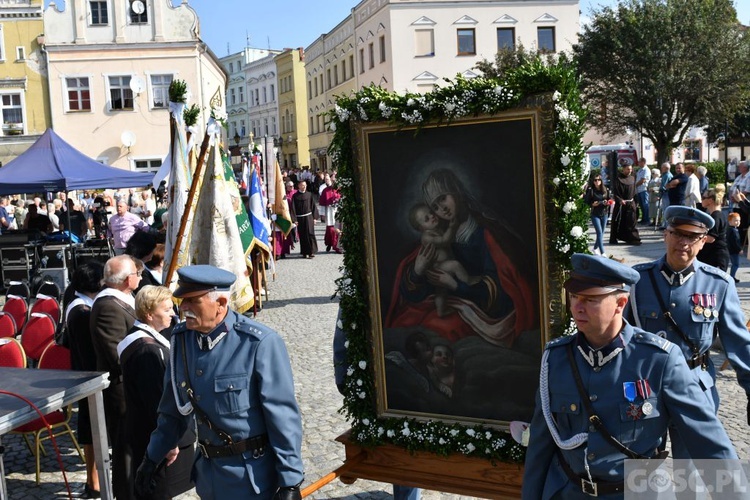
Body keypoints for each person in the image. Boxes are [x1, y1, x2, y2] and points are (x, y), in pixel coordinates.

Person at [522, 253, 737, 499]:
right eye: (574, 297)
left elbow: (707, 437)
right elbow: (541, 444)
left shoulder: (658, 359)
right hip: (569, 491)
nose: (577, 307)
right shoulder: (556, 358)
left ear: (621, 304)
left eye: (591, 299)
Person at [135, 265, 304, 500]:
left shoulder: (258, 344)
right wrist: (151, 458)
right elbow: (172, 412)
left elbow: (282, 417)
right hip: (208, 476)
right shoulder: (182, 341)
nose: (183, 308)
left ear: (221, 304)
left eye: (193, 301)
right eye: (182, 300)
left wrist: (291, 482)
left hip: (251, 478)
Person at [626, 206, 750, 457]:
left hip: (694, 387)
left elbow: (739, 344)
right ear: (666, 235)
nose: (683, 242)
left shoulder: (718, 284)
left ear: (704, 241)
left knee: (692, 472)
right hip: (644, 390)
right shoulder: (637, 281)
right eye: (677, 233)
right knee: (640, 472)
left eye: (692, 237)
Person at [387, 168, 536, 346]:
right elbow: (414, 292)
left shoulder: (486, 233)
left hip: (486, 311)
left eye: (443, 198)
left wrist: (456, 285)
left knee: (444, 331)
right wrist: (418, 271)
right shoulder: (438, 233)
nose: (442, 209)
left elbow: (500, 292)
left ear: (455, 190)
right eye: (434, 206)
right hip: (454, 303)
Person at [334, 307, 422, 500]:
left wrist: (344, 379)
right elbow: (345, 330)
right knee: (401, 442)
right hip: (387, 379)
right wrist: (345, 379)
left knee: (404, 440)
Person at [118, 286, 194, 499]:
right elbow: (156, 401)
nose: (173, 314)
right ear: (150, 314)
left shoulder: (141, 338)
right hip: (152, 438)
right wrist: (168, 443)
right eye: (167, 309)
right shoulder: (148, 351)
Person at [90, 255, 141, 499]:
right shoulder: (107, 306)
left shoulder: (124, 297)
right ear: (127, 279)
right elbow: (116, 351)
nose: (140, 277)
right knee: (125, 451)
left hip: (133, 386)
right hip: (121, 389)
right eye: (136, 273)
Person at [66, 261, 105, 499]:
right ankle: (93, 482)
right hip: (88, 376)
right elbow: (87, 350)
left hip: (86, 374)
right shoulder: (81, 311)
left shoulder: (81, 303)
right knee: (92, 432)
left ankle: (95, 481)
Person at [697, 188, 729, 271]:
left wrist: (694, 237)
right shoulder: (715, 215)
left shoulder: (716, 216)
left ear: (710, 200)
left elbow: (711, 238)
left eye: (703, 197)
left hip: (716, 258)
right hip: (711, 256)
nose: (701, 200)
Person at [609, 163, 641, 245]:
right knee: (617, 221)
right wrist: (620, 200)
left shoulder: (633, 178)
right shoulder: (618, 179)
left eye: (630, 169)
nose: (629, 171)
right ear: (623, 169)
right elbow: (615, 193)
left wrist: (636, 201)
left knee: (631, 221)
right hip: (621, 204)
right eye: (628, 169)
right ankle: (614, 239)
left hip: (630, 203)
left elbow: (634, 191)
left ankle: (633, 238)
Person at [582, 171, 611, 255]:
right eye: (595, 180)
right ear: (593, 181)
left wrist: (607, 202)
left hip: (604, 213)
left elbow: (610, 199)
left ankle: (595, 248)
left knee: (601, 233)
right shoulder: (591, 190)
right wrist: (592, 204)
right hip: (595, 214)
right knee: (599, 233)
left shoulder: (605, 189)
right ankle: (603, 253)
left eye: (599, 180)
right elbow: (586, 201)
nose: (597, 182)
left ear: (601, 181)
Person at [290, 180, 319, 259]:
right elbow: (293, 208)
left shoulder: (309, 195)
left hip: (309, 217)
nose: (304, 187)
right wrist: (294, 219)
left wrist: (315, 218)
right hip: (300, 218)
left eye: (305, 185)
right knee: (303, 235)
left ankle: (312, 251)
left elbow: (313, 206)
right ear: (299, 186)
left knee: (310, 233)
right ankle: (304, 252)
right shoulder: (295, 196)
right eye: (302, 185)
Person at [318, 174, 343, 254]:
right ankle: (330, 243)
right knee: (330, 228)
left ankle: (337, 245)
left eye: (335, 181)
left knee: (339, 227)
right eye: (332, 181)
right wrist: (322, 214)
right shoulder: (325, 190)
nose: (333, 182)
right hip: (329, 211)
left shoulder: (340, 190)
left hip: (338, 210)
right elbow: (322, 203)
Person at [730, 160, 750, 248]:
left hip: (743, 204)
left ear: (745, 167)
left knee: (742, 223)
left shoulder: (749, 176)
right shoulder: (739, 177)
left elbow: (747, 190)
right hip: (736, 204)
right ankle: (737, 241)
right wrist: (732, 197)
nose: (738, 168)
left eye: (740, 166)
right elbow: (733, 187)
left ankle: (742, 242)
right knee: (736, 222)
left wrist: (739, 199)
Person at [634, 158, 650, 224]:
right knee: (641, 205)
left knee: (645, 205)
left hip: (644, 189)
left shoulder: (646, 170)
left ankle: (647, 219)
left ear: (643, 162)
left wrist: (635, 185)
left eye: (640, 162)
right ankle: (643, 219)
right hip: (639, 190)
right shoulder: (640, 170)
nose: (638, 163)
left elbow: (643, 180)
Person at [657, 162, 673, 229]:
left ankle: (666, 225)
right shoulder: (665, 175)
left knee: (666, 209)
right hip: (666, 194)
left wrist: (660, 191)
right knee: (664, 209)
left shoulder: (667, 175)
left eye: (662, 167)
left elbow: (664, 186)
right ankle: (665, 224)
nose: (661, 169)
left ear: (666, 168)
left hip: (666, 194)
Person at [728, 212, 742, 282]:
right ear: (730, 222)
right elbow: (735, 241)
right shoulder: (733, 230)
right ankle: (732, 277)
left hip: (730, 250)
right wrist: (739, 249)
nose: (738, 222)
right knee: (735, 264)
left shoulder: (730, 229)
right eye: (736, 220)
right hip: (734, 251)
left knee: (734, 264)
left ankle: (732, 276)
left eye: (739, 220)